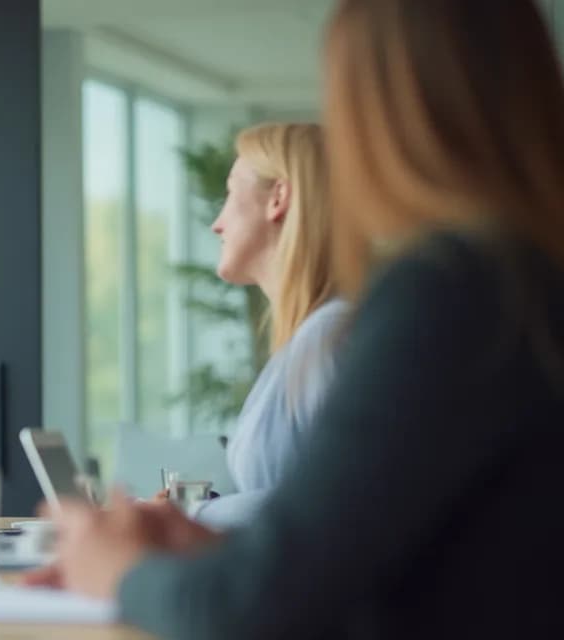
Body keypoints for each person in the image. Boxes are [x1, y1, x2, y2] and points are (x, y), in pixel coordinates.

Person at [35, 0, 564, 637]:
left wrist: (116, 569)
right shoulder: (523, 277)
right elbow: (419, 558)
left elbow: (255, 609)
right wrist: (218, 552)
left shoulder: (451, 292)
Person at [175, 122, 350, 528]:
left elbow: (338, 504)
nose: (216, 223)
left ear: (278, 198)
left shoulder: (328, 338)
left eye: (231, 193)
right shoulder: (312, 338)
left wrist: (193, 516)